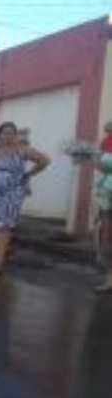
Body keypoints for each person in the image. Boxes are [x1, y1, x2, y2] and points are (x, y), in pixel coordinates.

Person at [0, 121, 51, 276]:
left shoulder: (22, 150)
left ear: (16, 136)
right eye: (5, 133)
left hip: (12, 193)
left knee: (4, 226)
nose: (8, 136)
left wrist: (28, 175)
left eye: (11, 133)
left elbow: (44, 160)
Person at [95, 120, 112, 292]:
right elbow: (101, 165)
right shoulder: (106, 140)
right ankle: (109, 279)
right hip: (107, 190)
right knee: (107, 236)